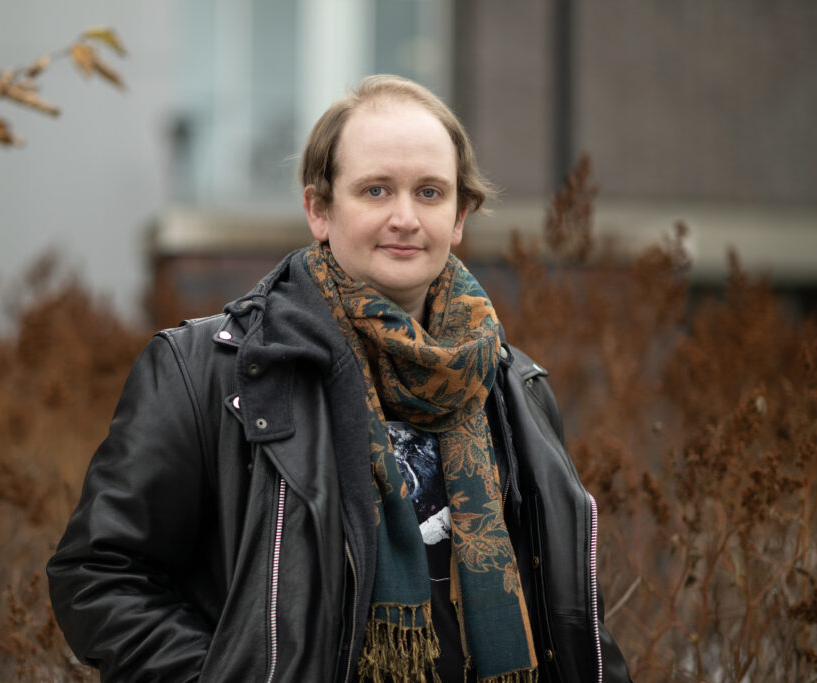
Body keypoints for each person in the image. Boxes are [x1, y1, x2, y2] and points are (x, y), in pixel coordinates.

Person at [47, 75, 632, 682]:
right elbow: (99, 572)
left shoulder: (515, 388)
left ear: (459, 217)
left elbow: (569, 618)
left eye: (429, 193)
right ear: (319, 210)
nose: (405, 217)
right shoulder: (205, 372)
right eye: (376, 190)